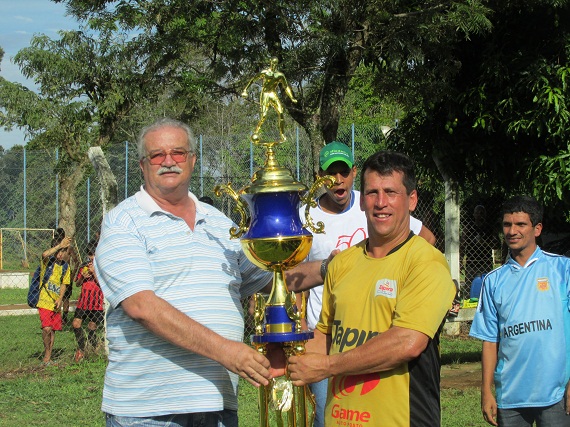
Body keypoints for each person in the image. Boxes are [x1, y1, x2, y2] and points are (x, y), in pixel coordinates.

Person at [94, 118, 323, 426]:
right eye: (157, 155)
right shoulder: (123, 222)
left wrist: (331, 267)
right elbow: (141, 306)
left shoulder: (219, 224)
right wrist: (227, 352)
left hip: (217, 408)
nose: (168, 162)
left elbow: (274, 278)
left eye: (177, 152)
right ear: (142, 165)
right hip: (149, 412)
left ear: (192, 159)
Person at [287, 150, 456, 427]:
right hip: (340, 419)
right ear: (362, 202)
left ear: (411, 200)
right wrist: (287, 355)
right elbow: (325, 337)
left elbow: (407, 343)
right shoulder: (342, 264)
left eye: (391, 192)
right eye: (372, 193)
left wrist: (328, 367)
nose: (380, 203)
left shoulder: (426, 262)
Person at [469, 195, 570, 427]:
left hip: (555, 393)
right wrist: (486, 391)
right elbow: (489, 341)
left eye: (520, 224)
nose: (512, 231)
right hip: (511, 397)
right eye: (507, 224)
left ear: (537, 229)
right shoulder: (493, 281)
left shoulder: (562, 269)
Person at [241, 57, 297, 141]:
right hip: (265, 94)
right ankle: (257, 130)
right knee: (264, 115)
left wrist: (292, 97)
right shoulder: (265, 73)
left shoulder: (280, 75)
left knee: (281, 113)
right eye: (273, 63)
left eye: (276, 64)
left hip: (272, 93)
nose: (274, 65)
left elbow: (286, 87)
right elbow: (253, 79)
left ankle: (282, 134)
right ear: (270, 62)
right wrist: (245, 90)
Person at [37, 235, 72, 365]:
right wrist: (59, 245)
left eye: (63, 251)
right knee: (46, 328)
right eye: (59, 251)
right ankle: (46, 354)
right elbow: (44, 254)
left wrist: (60, 298)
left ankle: (49, 357)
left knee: (52, 330)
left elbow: (64, 284)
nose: (60, 254)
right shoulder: (48, 262)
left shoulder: (65, 267)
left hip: (55, 303)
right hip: (44, 301)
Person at [72, 241, 103, 363]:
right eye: (90, 255)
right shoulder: (83, 266)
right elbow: (77, 283)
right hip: (84, 301)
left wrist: (94, 272)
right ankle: (81, 348)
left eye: (93, 254)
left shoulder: (101, 267)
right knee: (76, 324)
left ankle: (94, 350)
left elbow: (103, 285)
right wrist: (82, 277)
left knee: (92, 327)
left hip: (97, 302)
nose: (91, 257)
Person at [462, 204, 499, 293]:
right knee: (469, 288)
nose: (480, 215)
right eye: (477, 213)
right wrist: (460, 260)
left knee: (486, 288)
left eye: (482, 213)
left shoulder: (489, 228)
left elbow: (497, 244)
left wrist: (485, 243)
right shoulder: (469, 228)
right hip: (471, 262)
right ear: (474, 215)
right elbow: (463, 244)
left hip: (485, 262)